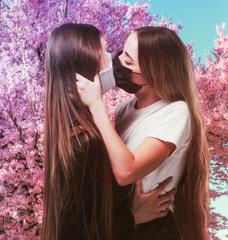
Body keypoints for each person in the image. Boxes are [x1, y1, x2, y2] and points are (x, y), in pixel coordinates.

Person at [41, 23, 175, 240]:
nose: (113, 58)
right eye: (104, 50)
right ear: (86, 66)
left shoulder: (74, 134)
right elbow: (73, 234)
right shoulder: (86, 142)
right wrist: (133, 217)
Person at [76, 26, 210, 240]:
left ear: (156, 73)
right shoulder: (124, 109)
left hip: (154, 230)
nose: (117, 63)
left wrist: (96, 105)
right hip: (128, 222)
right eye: (121, 53)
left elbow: (126, 172)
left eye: (128, 62)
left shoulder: (176, 112)